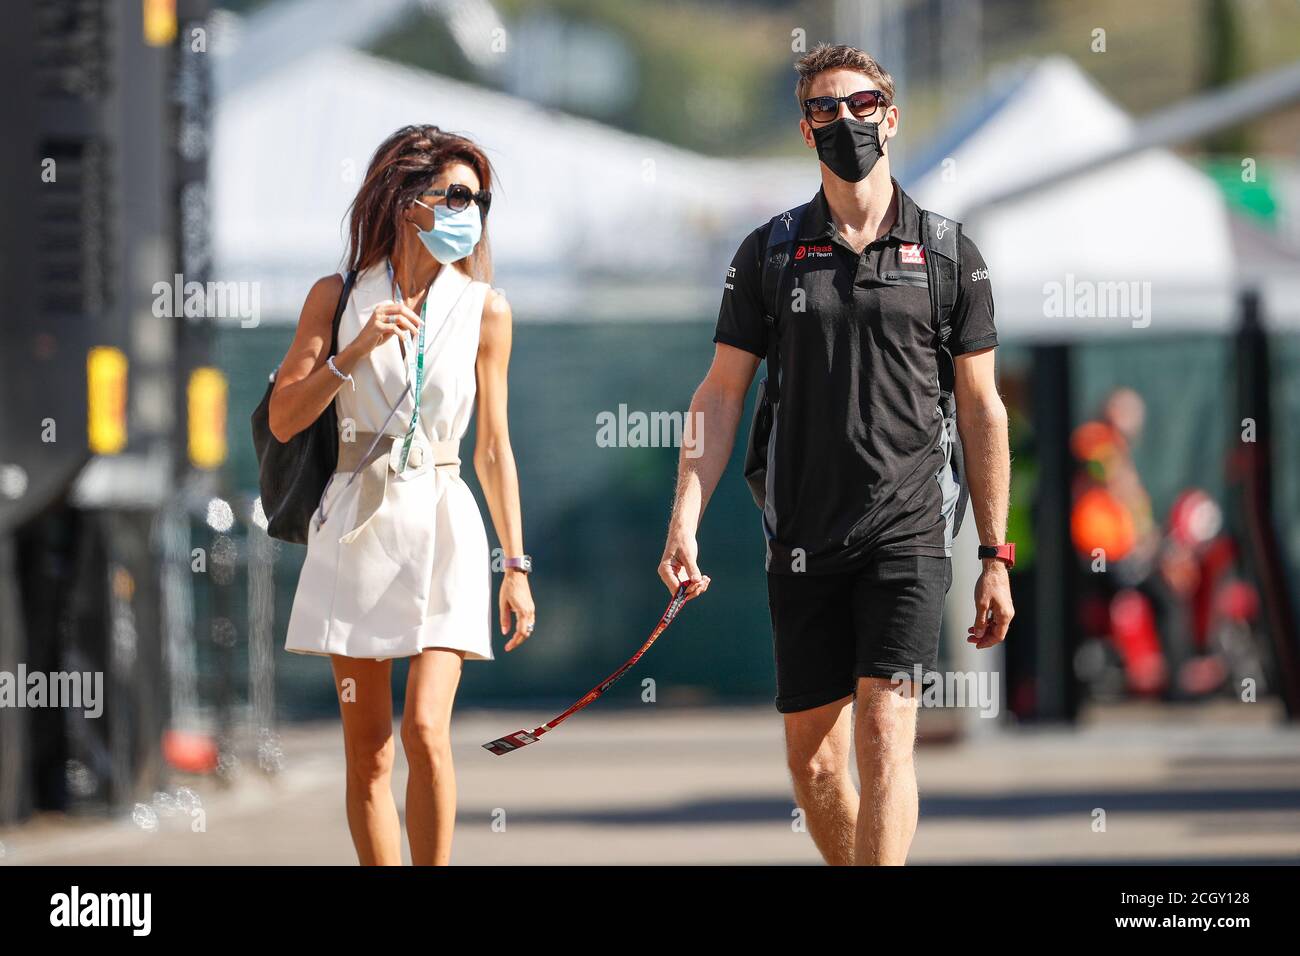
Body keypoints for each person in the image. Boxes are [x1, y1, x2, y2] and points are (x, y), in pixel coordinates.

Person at [656, 45, 1013, 865]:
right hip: (802, 535)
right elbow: (720, 393)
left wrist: (995, 555)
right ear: (805, 127)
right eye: (824, 108)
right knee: (816, 764)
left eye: (861, 104)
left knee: (886, 732)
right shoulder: (770, 251)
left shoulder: (950, 253)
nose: (844, 119)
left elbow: (982, 407)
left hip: (909, 532)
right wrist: (685, 518)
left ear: (891, 118)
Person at [270, 125, 536, 865]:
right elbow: (286, 418)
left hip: (446, 523)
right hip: (358, 523)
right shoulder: (337, 297)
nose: (470, 213)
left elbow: (493, 447)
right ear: (405, 199)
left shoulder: (486, 307)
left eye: (479, 201)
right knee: (370, 751)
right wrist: (352, 353)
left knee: (425, 729)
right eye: (457, 196)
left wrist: (516, 565)